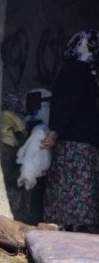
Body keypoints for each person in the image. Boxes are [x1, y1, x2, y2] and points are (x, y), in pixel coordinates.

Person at [40, 29, 99, 232]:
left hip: (73, 142)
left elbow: (65, 103)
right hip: (89, 142)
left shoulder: (73, 71)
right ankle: (82, 228)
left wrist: (54, 130)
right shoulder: (92, 75)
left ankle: (67, 228)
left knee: (68, 186)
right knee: (84, 188)